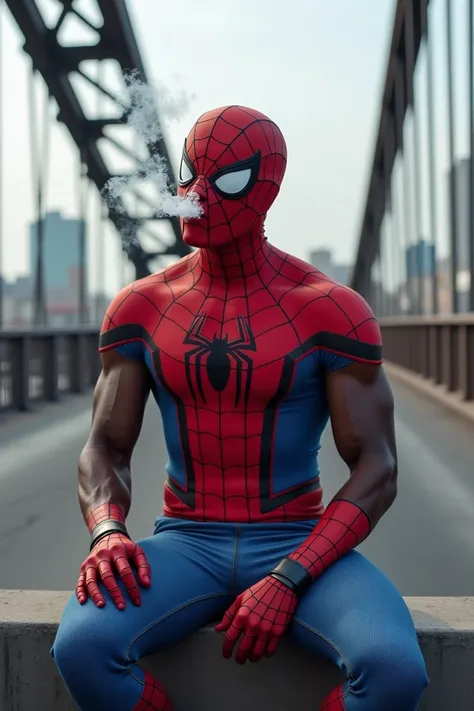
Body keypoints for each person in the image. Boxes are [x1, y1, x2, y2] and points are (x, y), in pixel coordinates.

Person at [51, 105, 428, 710]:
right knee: (81, 647)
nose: (197, 196)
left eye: (224, 181)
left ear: (268, 188)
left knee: (392, 670)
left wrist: (290, 575)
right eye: (188, 174)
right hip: (185, 540)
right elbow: (105, 447)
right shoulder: (142, 306)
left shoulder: (329, 308)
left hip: (301, 540)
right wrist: (107, 532)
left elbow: (377, 468)